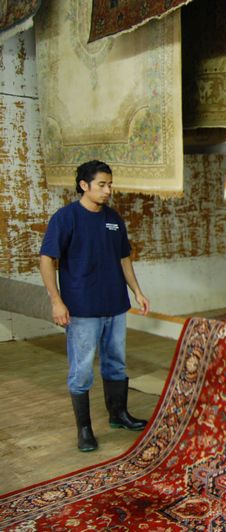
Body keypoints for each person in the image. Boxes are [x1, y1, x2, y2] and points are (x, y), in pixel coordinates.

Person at [39, 160, 151, 452]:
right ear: (84, 185)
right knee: (82, 370)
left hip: (115, 304)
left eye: (110, 184)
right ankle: (85, 429)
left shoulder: (114, 219)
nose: (108, 190)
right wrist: (56, 300)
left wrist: (137, 291)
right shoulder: (66, 218)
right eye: (102, 185)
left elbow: (123, 258)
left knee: (116, 363)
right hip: (82, 308)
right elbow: (47, 259)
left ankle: (119, 415)